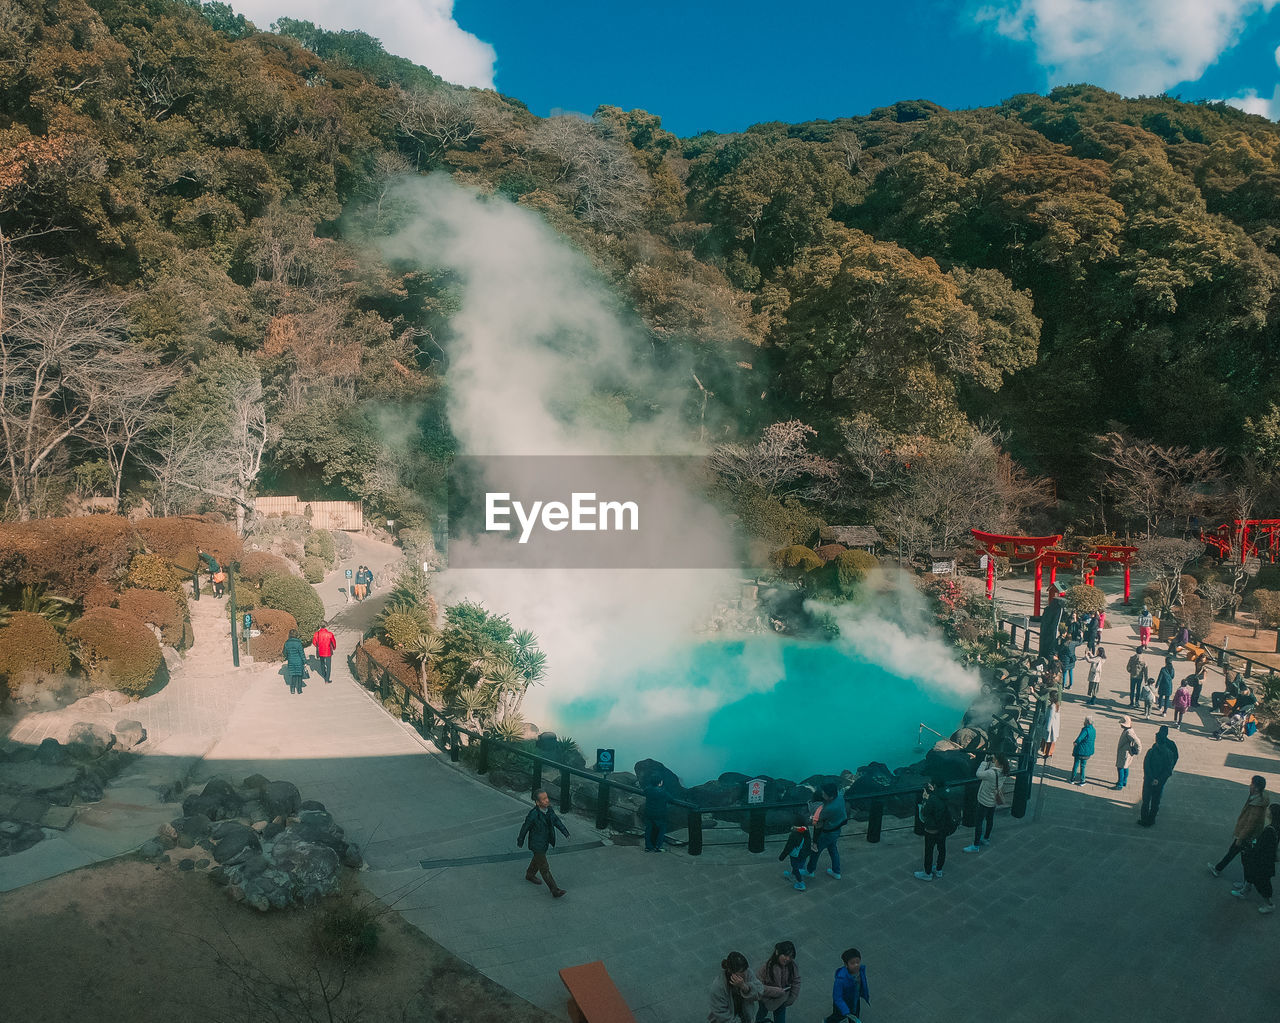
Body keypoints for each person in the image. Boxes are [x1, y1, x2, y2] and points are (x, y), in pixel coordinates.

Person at [1209, 776, 1270, 878]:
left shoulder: (1257, 805)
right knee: (1235, 854)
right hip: (1247, 835)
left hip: (1246, 836)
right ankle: (1219, 869)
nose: (1250, 786)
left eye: (1252, 784)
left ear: (1257, 788)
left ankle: (1246, 882)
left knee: (1242, 857)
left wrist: (1240, 838)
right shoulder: (1256, 798)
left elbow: (1250, 824)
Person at [516, 789, 569, 898]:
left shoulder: (549, 810)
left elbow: (556, 821)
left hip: (545, 842)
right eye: (544, 799)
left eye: (547, 798)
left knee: (537, 860)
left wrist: (565, 832)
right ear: (537, 802)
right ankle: (555, 890)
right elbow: (525, 827)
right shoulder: (533, 814)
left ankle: (530, 875)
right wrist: (520, 840)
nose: (547, 800)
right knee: (544, 868)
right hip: (537, 844)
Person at [1233, 803, 1279, 914]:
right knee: (1250, 873)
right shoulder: (1276, 828)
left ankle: (1269, 904)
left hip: (1262, 862)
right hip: (1263, 860)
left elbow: (1262, 847)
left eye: (1268, 811)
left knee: (1262, 883)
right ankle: (1245, 890)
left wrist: (1252, 847)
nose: (1266, 811)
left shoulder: (1270, 830)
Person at [804, 782, 849, 880]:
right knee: (833, 849)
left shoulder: (828, 809)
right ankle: (836, 871)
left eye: (824, 794)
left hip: (827, 832)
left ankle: (810, 871)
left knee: (815, 851)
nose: (822, 794)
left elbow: (817, 823)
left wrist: (815, 841)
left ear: (831, 797)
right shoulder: (840, 797)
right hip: (837, 829)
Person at [964, 754, 1008, 852]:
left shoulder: (990, 773)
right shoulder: (1004, 771)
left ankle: (975, 845)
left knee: (979, 822)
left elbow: (978, 774)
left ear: (997, 762)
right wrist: (991, 762)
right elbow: (994, 771)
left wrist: (984, 762)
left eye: (994, 760)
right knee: (989, 819)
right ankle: (986, 838)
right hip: (993, 801)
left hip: (984, 800)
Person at [1138, 724, 1179, 826]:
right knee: (1156, 801)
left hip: (1149, 780)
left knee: (1146, 800)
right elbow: (1170, 766)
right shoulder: (1170, 749)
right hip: (1160, 780)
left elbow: (1146, 766)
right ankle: (1151, 820)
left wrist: (1151, 777)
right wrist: (1159, 779)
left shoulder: (1152, 751)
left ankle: (1144, 819)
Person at [708, 951, 763, 1023]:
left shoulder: (747, 972)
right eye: (741, 972)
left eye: (745, 970)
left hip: (745, 1016)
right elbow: (722, 1014)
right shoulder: (718, 987)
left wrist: (745, 987)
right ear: (730, 971)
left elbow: (760, 991)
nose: (745, 974)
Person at [914, 780, 952, 881]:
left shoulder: (931, 800)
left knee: (929, 851)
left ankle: (927, 874)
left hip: (932, 830)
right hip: (943, 828)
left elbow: (924, 814)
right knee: (942, 849)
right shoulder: (944, 795)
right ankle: (939, 870)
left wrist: (925, 800)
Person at [755, 941, 800, 1023]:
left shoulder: (792, 966)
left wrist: (791, 998)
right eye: (785, 955)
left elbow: (796, 981)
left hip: (782, 1001)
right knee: (761, 1014)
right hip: (766, 999)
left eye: (790, 957)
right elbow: (757, 984)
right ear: (777, 952)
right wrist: (775, 991)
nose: (788, 959)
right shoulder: (767, 967)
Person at [825, 948, 870, 1023]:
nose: (856, 965)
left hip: (855, 999)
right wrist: (845, 1010)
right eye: (852, 963)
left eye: (858, 962)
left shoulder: (861, 970)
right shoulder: (841, 979)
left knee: (855, 1013)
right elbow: (837, 997)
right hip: (842, 1004)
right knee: (838, 1016)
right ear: (846, 965)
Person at [642, 775, 670, 852]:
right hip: (660, 815)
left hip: (649, 813)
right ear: (660, 783)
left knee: (648, 830)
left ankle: (648, 847)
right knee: (662, 830)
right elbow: (671, 799)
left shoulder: (647, 790)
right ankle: (658, 847)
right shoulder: (663, 792)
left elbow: (646, 790)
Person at [1114, 716, 1141, 790]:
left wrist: (1138, 750)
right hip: (1127, 753)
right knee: (1125, 767)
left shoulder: (1128, 732)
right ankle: (1124, 781)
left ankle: (1120, 784)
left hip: (1124, 753)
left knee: (1120, 768)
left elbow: (1137, 741)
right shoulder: (1129, 730)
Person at [1069, 715, 1096, 785]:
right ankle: (1082, 780)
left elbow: (1080, 738)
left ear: (1086, 722)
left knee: (1076, 764)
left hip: (1080, 751)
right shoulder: (1093, 730)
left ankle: (1072, 779)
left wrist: (1075, 742)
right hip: (1087, 751)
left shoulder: (1085, 730)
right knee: (1083, 766)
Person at [282, 629, 308, 695]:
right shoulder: (298, 643)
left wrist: (288, 656)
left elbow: (284, 653)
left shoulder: (287, 643)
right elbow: (302, 653)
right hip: (299, 661)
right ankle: (299, 690)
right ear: (296, 635)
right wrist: (304, 661)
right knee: (299, 675)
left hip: (291, 661)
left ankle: (292, 689)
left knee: (293, 675)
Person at [1041, 690, 1061, 760]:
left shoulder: (1052, 706)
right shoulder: (1057, 705)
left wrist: (1047, 728)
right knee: (1051, 740)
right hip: (1054, 726)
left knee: (1048, 740)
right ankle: (1049, 752)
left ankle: (1047, 753)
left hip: (1051, 726)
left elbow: (1050, 717)